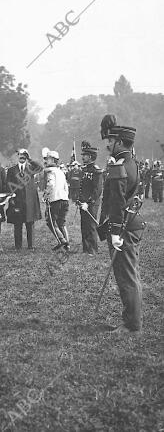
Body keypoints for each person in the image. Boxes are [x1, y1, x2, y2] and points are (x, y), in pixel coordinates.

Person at [98, 115, 146, 333]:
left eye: (110, 140)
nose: (107, 144)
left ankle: (132, 325)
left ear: (119, 142)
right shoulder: (131, 162)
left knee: (126, 277)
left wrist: (115, 232)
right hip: (132, 224)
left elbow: (116, 203)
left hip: (124, 227)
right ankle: (131, 320)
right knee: (130, 275)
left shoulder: (120, 165)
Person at [6, 149, 43, 250]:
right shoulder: (11, 170)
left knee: (30, 223)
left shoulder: (31, 168)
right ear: (17, 157)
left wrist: (30, 159)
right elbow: (8, 184)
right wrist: (11, 197)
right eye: (20, 155)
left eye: (24, 155)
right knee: (17, 223)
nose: (22, 157)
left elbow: (40, 167)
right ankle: (18, 245)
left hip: (29, 200)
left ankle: (31, 245)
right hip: (17, 200)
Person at [77, 141, 103, 255]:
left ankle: (92, 249)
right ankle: (86, 248)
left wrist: (89, 202)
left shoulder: (96, 171)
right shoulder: (84, 169)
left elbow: (97, 190)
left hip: (91, 203)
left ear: (91, 156)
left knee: (91, 225)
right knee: (84, 225)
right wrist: (80, 199)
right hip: (83, 203)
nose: (82, 157)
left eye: (85, 155)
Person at [42, 150, 70, 250]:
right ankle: (67, 244)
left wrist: (45, 195)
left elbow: (51, 185)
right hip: (64, 199)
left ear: (53, 160)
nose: (45, 160)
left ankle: (62, 240)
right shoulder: (61, 172)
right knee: (61, 222)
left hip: (55, 200)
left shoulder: (50, 171)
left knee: (50, 222)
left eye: (47, 158)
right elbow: (66, 187)